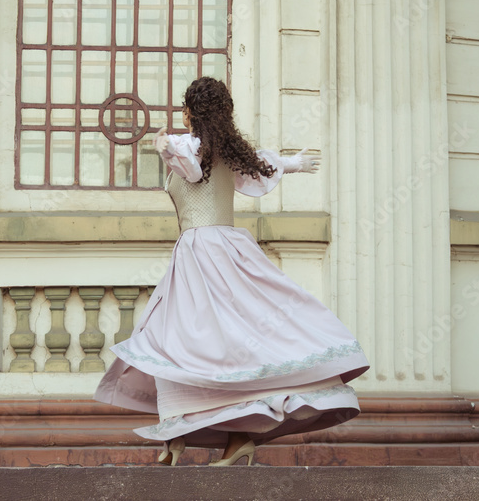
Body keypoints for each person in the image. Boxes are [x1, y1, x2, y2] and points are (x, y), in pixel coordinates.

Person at [94, 77, 369, 466]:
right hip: (226, 251)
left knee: (183, 340)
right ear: (225, 115)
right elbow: (262, 163)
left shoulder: (190, 149)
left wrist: (165, 144)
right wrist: (292, 163)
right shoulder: (227, 152)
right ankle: (200, 435)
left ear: (189, 111)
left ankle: (196, 433)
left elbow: (189, 166)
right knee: (211, 343)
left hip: (202, 253)